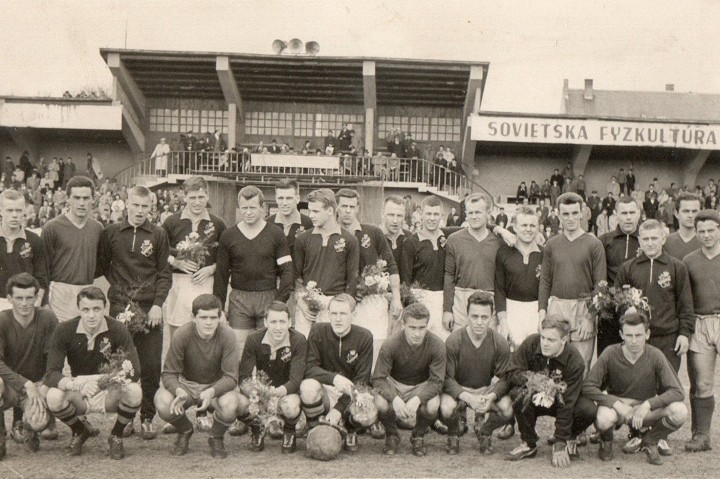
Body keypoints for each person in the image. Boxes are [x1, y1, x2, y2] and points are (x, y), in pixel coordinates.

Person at [98, 185, 172, 439]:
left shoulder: (158, 234)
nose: (140, 211)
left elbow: (164, 274)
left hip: (150, 310)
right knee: (124, 364)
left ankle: (148, 416)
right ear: (126, 204)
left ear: (151, 207)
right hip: (120, 308)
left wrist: (157, 304)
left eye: (145, 206)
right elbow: (104, 266)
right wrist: (121, 291)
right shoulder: (111, 233)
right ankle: (126, 416)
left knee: (150, 365)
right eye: (136, 205)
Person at [44, 287, 142, 459]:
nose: (91, 315)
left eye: (96, 309)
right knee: (53, 396)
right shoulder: (64, 329)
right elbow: (51, 373)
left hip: (108, 389)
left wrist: (98, 380)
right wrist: (75, 385)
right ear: (78, 309)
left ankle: (116, 435)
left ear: (105, 307)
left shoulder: (117, 328)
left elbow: (134, 371)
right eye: (86, 309)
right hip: (80, 392)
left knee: (134, 391)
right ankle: (79, 431)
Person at [581, 311, 687, 465]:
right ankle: (606, 441)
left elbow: (677, 392)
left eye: (638, 335)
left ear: (647, 334)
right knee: (603, 418)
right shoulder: (610, 353)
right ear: (621, 335)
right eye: (629, 335)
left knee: (680, 411)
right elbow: (587, 385)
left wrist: (648, 404)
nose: (634, 341)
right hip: (619, 408)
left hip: (644, 410)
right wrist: (616, 403)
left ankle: (650, 440)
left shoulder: (655, 355)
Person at [153, 294, 238, 458]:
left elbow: (231, 377)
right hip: (187, 386)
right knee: (162, 400)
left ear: (220, 317)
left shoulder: (227, 335)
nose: (208, 322)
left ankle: (216, 437)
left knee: (231, 403)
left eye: (213, 317)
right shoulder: (182, 334)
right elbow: (169, 373)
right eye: (203, 317)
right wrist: (178, 390)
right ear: (193, 317)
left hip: (215, 387)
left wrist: (212, 391)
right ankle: (185, 430)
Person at [504, 317, 595, 467]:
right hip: (536, 398)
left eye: (551, 340)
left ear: (564, 339)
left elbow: (568, 403)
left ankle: (569, 438)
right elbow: (511, 371)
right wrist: (533, 380)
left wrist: (560, 440)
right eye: (543, 337)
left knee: (588, 409)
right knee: (517, 393)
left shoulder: (576, 361)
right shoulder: (531, 343)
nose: (545, 343)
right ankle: (528, 442)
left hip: (562, 401)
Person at [214, 186, 292, 358]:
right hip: (239, 300)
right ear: (239, 208)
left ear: (262, 208)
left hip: (268, 297)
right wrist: (219, 307)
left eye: (252, 208)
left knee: (269, 351)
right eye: (244, 208)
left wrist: (279, 303)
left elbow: (287, 271)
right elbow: (221, 275)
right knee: (240, 353)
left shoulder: (276, 234)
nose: (248, 212)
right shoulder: (228, 235)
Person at [539, 192, 606, 375]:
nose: (570, 218)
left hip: (583, 309)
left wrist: (590, 318)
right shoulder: (552, 244)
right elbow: (545, 281)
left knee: (581, 366)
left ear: (582, 213)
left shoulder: (593, 244)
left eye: (574, 213)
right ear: (558, 215)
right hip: (557, 307)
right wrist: (542, 312)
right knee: (554, 364)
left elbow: (600, 285)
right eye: (565, 214)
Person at [615, 220, 694, 372]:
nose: (650, 243)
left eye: (654, 238)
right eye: (645, 239)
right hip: (637, 337)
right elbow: (618, 300)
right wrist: (625, 311)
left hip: (668, 337)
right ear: (640, 240)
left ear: (663, 239)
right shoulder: (628, 268)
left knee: (666, 381)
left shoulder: (677, 267)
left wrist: (684, 334)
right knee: (638, 381)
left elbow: (685, 304)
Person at [299, 294, 375, 453]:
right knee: (307, 387)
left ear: (353, 315)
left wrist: (338, 409)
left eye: (343, 314)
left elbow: (361, 381)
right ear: (328, 314)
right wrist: (334, 378)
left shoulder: (365, 336)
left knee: (369, 414)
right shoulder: (318, 330)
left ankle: (350, 429)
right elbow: (309, 367)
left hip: (350, 391)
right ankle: (316, 428)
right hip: (325, 390)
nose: (338, 319)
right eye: (334, 313)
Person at [440, 292, 513, 455]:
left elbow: (505, 378)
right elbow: (446, 378)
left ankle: (485, 432)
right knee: (445, 407)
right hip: (460, 391)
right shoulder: (454, 341)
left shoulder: (499, 342)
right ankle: (453, 433)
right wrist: (467, 397)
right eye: (474, 316)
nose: (479, 322)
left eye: (484, 317)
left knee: (507, 408)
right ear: (467, 315)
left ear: (491, 317)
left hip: (485, 391)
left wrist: (491, 396)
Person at [335, 189, 402, 359]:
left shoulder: (373, 233)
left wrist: (396, 297)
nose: (348, 211)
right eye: (344, 206)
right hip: (341, 302)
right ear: (336, 207)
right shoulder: (332, 235)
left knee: (375, 349)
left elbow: (391, 265)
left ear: (358, 208)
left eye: (352, 206)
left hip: (371, 301)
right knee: (345, 352)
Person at [373, 303, 446, 456]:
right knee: (379, 401)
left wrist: (418, 399)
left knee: (433, 404)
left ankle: (418, 435)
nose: (417, 333)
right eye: (412, 328)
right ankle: (392, 434)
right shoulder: (391, 343)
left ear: (427, 326)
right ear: (403, 325)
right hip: (394, 383)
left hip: (421, 385)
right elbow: (379, 378)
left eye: (421, 328)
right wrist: (394, 398)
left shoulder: (437, 345)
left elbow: (437, 382)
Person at [0, 273, 58, 457]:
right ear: (9, 298)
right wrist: (25, 383)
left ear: (36, 297)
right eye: (19, 298)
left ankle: (27, 426)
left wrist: (43, 386)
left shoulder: (47, 318)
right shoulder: (2, 320)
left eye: (29, 298)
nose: (24, 303)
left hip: (36, 386)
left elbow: (54, 360)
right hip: (10, 386)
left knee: (39, 422)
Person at [237, 301, 307, 453]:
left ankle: (289, 431)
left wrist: (276, 393)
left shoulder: (299, 340)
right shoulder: (254, 339)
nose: (278, 327)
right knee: (240, 403)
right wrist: (257, 392)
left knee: (290, 406)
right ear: (265, 322)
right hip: (262, 392)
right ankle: (257, 428)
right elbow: (244, 377)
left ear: (290, 322)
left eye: (282, 322)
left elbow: (296, 381)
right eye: (273, 322)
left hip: (286, 392)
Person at [163, 177, 226, 340]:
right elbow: (160, 252)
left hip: (206, 284)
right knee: (178, 336)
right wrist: (176, 262)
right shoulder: (171, 222)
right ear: (184, 197)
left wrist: (211, 269)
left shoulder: (218, 224)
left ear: (207, 196)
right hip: (179, 285)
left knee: (206, 336)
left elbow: (226, 258)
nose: (197, 202)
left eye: (201, 197)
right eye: (192, 197)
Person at [293, 189, 359, 337]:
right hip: (307, 305)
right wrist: (301, 302)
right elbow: (296, 277)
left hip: (335, 305)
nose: (311, 215)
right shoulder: (303, 239)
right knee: (304, 347)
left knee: (332, 349)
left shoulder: (350, 240)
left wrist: (342, 308)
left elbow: (352, 280)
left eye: (316, 211)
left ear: (330, 211)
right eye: (310, 211)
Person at [683, 209, 720, 452]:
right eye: (702, 231)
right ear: (696, 233)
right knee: (703, 382)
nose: (706, 235)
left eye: (711, 230)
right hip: (700, 323)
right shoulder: (689, 261)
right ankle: (702, 435)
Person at [43, 176, 104, 322]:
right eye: (77, 198)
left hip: (87, 292)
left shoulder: (98, 228)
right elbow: (42, 268)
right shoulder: (52, 227)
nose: (81, 203)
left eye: (86, 198)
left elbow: (100, 265)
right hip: (60, 293)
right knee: (60, 334)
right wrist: (44, 302)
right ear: (68, 199)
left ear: (93, 199)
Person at [443, 194, 504, 334]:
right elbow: (449, 275)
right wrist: (447, 309)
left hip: (489, 300)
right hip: (461, 300)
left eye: (478, 212)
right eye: (470, 213)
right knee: (460, 343)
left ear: (488, 213)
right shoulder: (454, 239)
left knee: (487, 344)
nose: (474, 216)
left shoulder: (499, 242)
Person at [401, 196, 451, 340]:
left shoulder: (448, 236)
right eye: (428, 214)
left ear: (442, 215)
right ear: (421, 214)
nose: (432, 218)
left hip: (442, 301)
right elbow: (405, 281)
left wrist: (499, 229)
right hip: (420, 300)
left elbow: (472, 227)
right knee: (418, 344)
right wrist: (413, 308)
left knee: (443, 344)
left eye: (436, 214)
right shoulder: (411, 242)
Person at [597, 197, 641, 354]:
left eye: (632, 213)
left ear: (638, 213)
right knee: (608, 356)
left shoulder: (646, 241)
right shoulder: (604, 241)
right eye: (624, 213)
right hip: (610, 313)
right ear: (616, 215)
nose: (628, 217)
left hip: (639, 312)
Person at [495, 206, 543, 351]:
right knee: (512, 357)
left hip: (536, 313)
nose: (528, 229)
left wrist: (543, 317)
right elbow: (499, 290)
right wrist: (503, 322)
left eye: (532, 225)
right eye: (524, 225)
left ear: (538, 228)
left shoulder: (544, 254)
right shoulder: (504, 252)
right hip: (511, 311)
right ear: (515, 227)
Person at [0, 190, 48, 311]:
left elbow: (41, 278)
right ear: (1, 211)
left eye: (19, 210)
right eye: (9, 210)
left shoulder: (34, 240)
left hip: (26, 305)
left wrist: (36, 306)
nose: (14, 215)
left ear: (24, 211)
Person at [267, 179, 313, 270]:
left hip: (300, 277)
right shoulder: (267, 224)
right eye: (281, 198)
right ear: (276, 199)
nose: (284, 203)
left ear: (297, 199)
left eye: (289, 198)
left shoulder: (310, 224)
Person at [665, 192, 702, 260]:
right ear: (676, 214)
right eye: (686, 211)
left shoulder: (705, 242)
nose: (690, 215)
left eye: (694, 211)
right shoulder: (665, 242)